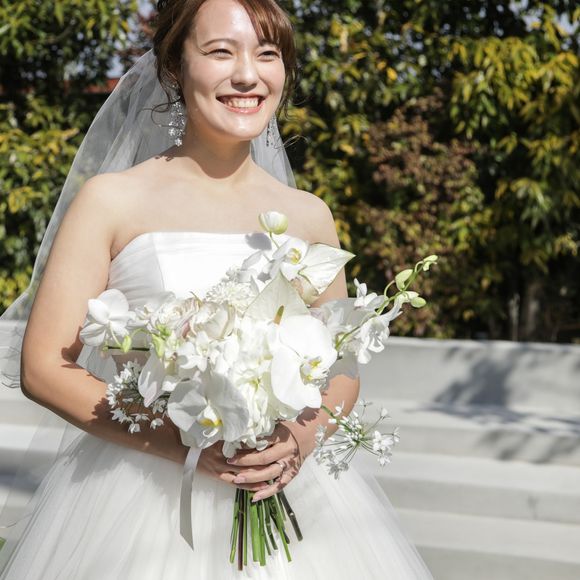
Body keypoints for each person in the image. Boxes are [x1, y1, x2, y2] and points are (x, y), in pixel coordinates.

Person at [0, 0, 434, 577]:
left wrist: (299, 440)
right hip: (137, 498)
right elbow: (43, 367)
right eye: (221, 52)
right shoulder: (111, 200)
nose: (247, 75)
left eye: (267, 53)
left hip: (288, 496)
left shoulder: (309, 215)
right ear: (174, 67)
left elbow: (342, 368)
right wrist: (182, 444)